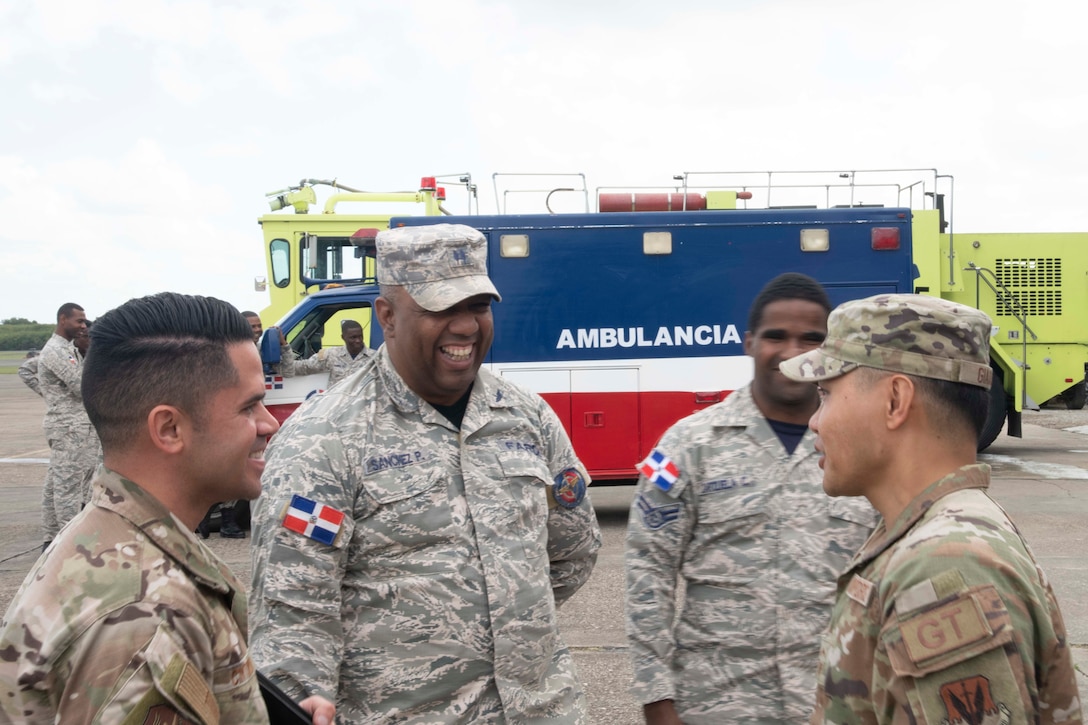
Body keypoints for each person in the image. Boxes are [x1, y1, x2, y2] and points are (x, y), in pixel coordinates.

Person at [249, 223, 602, 723]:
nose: (465, 327)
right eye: (441, 309)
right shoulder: (322, 439)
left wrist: (501, 622)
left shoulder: (526, 416)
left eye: (477, 307)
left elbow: (574, 549)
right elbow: (292, 611)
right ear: (387, 316)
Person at [0, 292, 335, 724]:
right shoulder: (142, 617)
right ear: (170, 428)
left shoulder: (116, 544)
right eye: (248, 406)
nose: (269, 423)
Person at [778, 294, 1083, 724]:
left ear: (895, 401)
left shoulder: (942, 568)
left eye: (826, 393)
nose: (815, 420)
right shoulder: (937, 533)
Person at [624, 273, 878, 724]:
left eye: (811, 339)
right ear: (748, 342)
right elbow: (648, 574)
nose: (792, 351)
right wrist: (657, 699)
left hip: (836, 703)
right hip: (716, 704)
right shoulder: (684, 445)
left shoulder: (865, 450)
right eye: (775, 336)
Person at [36, 302, 101, 549]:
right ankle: (69, 544)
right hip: (67, 427)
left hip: (76, 426)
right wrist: (91, 355)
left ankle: (52, 539)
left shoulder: (69, 349)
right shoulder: (56, 351)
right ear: (63, 319)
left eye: (84, 322)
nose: (83, 326)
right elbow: (80, 384)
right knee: (67, 488)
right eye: (79, 321)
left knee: (59, 484)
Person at [283, 318, 374, 386]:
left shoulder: (375, 358)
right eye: (353, 337)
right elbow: (300, 367)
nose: (358, 340)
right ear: (343, 337)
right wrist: (284, 346)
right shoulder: (331, 355)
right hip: (337, 409)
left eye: (360, 336)